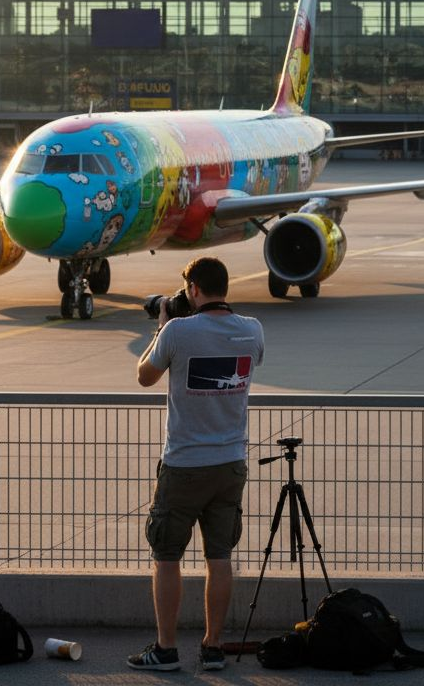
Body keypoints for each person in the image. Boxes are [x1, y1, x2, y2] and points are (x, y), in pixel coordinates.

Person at [128, 256, 265, 672]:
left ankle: (166, 649)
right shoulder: (253, 329)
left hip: (184, 463)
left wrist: (162, 327)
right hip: (231, 463)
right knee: (219, 556)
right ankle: (213, 647)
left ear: (193, 289)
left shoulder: (177, 332)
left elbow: (144, 376)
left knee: (167, 555)